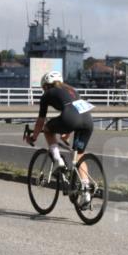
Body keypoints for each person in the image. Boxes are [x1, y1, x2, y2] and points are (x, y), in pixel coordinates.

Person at [27, 71, 95, 205]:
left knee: (47, 129)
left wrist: (33, 137)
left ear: (46, 86)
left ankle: (58, 160)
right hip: (87, 120)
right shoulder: (72, 90)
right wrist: (67, 134)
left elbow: (41, 121)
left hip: (70, 118)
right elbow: (77, 111)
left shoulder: (47, 94)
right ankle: (85, 191)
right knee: (79, 156)